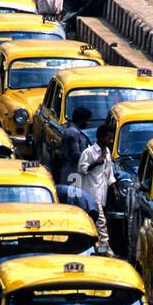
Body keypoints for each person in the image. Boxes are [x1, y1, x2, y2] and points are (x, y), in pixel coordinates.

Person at [77, 124, 116, 254]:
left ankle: (97, 248)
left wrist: (114, 188)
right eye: (108, 138)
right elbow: (81, 169)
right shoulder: (88, 152)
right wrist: (95, 163)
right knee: (101, 222)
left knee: (94, 223)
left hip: (102, 193)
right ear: (100, 137)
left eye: (111, 139)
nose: (110, 141)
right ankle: (107, 250)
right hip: (91, 193)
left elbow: (109, 172)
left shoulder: (108, 152)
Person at [60, 105, 94, 186]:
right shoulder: (73, 133)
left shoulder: (73, 131)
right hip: (72, 173)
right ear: (81, 120)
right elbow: (76, 155)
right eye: (87, 120)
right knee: (73, 196)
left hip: (71, 172)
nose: (88, 123)